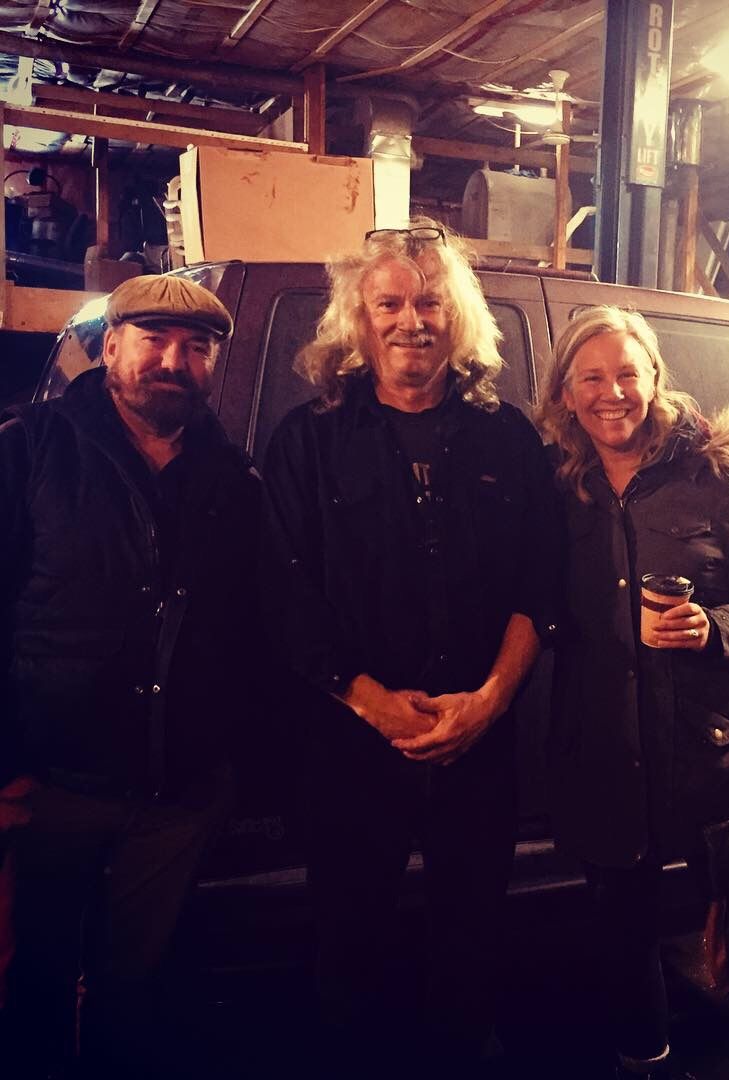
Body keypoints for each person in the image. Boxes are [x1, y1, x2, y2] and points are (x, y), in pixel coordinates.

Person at [260, 217, 561, 1072]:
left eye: (430, 302)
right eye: (388, 303)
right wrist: (374, 705)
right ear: (359, 319)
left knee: (472, 944)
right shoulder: (308, 440)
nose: (410, 321)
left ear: (456, 317)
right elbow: (284, 592)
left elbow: (539, 585)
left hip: (479, 744)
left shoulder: (508, 439)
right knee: (348, 947)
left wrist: (489, 703)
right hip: (350, 747)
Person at [538, 306, 729, 1080]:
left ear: (655, 378)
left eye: (628, 373)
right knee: (623, 937)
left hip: (717, 757)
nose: (612, 393)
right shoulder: (559, 486)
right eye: (592, 377)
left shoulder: (716, 475)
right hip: (606, 749)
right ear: (565, 393)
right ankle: (648, 1062)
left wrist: (711, 628)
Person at [0, 275, 261, 1077]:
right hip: (51, 786)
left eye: (196, 348)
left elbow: (249, 630)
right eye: (154, 341)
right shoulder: (29, 449)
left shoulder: (234, 479)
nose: (173, 361)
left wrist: (228, 766)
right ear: (111, 348)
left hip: (175, 798)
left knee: (138, 988)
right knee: (35, 981)